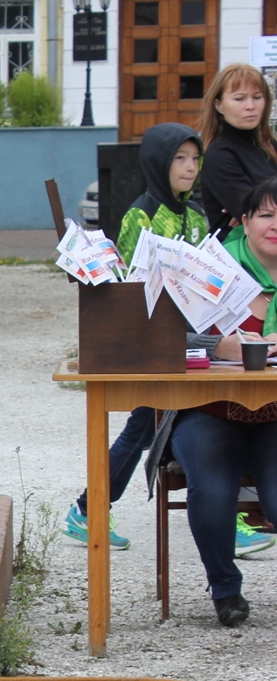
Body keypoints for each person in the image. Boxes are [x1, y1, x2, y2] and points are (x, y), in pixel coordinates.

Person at [59, 124, 274, 555]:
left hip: (189, 338)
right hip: (155, 339)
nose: (190, 168)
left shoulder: (193, 212)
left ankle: (92, 508)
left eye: (195, 159)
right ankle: (88, 508)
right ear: (158, 162)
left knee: (146, 430)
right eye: (179, 158)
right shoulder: (141, 215)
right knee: (144, 428)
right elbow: (133, 286)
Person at [158, 177, 277, 626]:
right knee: (212, 489)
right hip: (210, 410)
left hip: (275, 416)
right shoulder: (210, 270)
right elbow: (163, 335)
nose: (275, 225)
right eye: (266, 215)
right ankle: (225, 589)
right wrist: (218, 345)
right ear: (244, 221)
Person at [199, 64, 277, 239]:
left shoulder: (268, 145)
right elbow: (254, 213)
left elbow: (261, 211)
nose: (250, 106)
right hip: (239, 252)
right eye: (239, 99)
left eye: (257, 97)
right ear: (219, 105)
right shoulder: (219, 155)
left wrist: (263, 208)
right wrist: (257, 211)